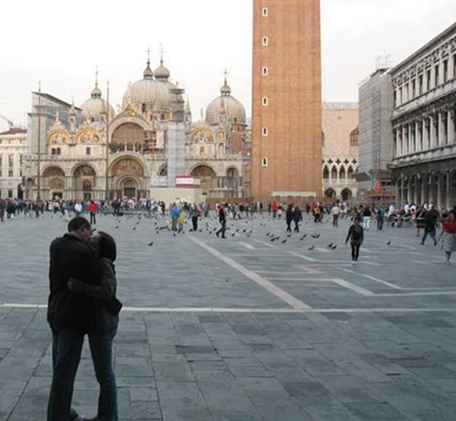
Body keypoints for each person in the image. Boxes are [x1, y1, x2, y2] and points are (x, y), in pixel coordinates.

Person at [47, 217, 101, 421]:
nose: (90, 236)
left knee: (59, 367)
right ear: (82, 230)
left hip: (54, 313)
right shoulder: (84, 251)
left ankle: (61, 411)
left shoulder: (56, 244)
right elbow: (95, 278)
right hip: (72, 318)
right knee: (66, 371)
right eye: (89, 232)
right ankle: (58, 416)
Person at [68, 231, 121, 421]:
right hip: (99, 322)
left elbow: (108, 291)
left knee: (104, 374)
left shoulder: (103, 263)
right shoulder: (95, 261)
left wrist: (81, 287)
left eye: (94, 239)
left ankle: (108, 417)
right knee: (104, 373)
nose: (90, 240)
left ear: (100, 247)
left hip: (103, 323)